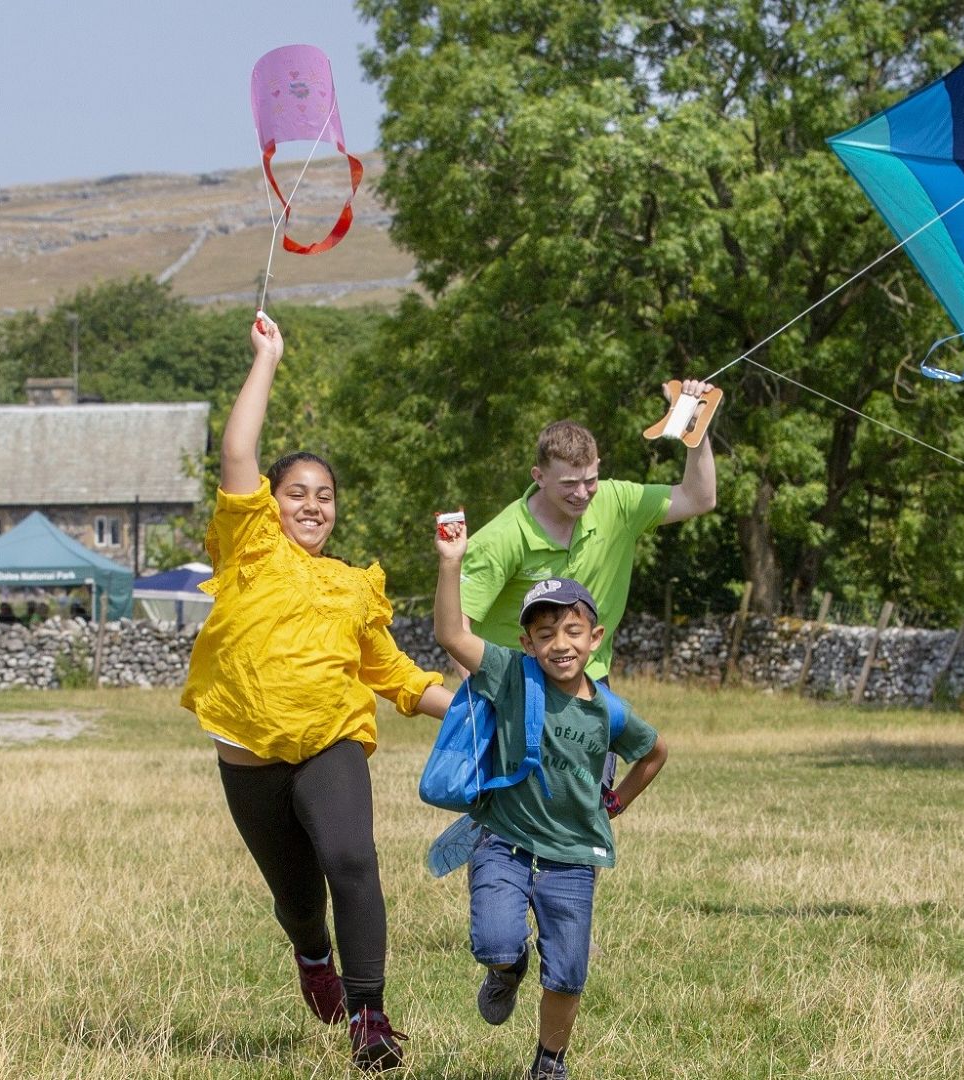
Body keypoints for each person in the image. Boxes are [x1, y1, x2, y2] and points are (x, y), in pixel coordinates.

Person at [181, 313, 452, 1072]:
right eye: (296, 492)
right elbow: (238, 451)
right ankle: (311, 954)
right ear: (271, 503)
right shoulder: (250, 547)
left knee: (351, 860)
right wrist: (267, 359)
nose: (311, 504)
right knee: (300, 900)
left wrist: (473, 710)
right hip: (248, 760)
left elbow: (395, 675)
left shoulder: (352, 587)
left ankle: (370, 1014)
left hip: (329, 742)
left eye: (324, 496)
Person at [434, 520, 669, 1080]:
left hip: (574, 857)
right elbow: (451, 635)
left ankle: (549, 1061)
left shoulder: (610, 711)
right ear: (527, 643)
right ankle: (506, 969)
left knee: (566, 973)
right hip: (504, 843)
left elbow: (654, 752)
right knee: (494, 940)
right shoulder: (513, 676)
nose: (559, 644)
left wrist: (617, 804)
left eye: (571, 630)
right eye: (544, 634)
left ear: (595, 637)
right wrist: (451, 563)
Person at [459, 395, 718, 687]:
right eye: (569, 483)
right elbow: (457, 627)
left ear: (598, 466)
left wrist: (695, 430)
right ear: (539, 476)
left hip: (588, 679)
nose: (582, 493)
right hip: (515, 685)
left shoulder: (618, 503)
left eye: (590, 480)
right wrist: (480, 697)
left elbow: (699, 498)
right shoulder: (500, 539)